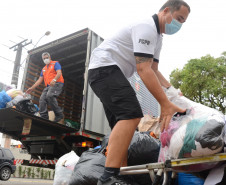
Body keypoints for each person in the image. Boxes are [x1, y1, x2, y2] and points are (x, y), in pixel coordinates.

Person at [88, 0, 190, 184]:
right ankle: (107, 178)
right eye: (179, 18)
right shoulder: (146, 27)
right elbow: (143, 70)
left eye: (183, 22)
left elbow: (155, 70)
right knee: (131, 115)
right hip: (104, 69)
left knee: (125, 127)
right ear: (166, 10)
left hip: (109, 72)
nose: (180, 25)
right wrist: (165, 104)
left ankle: (119, 175)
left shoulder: (158, 38)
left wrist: (172, 92)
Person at [26, 52, 64, 123]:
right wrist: (32, 88)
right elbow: (40, 80)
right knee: (42, 99)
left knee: (50, 95)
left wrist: (54, 79)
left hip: (57, 83)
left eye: (47, 58)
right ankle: (44, 117)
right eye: (44, 58)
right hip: (49, 86)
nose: (45, 59)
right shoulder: (43, 69)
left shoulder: (55, 63)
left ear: (50, 57)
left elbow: (59, 73)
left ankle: (59, 114)